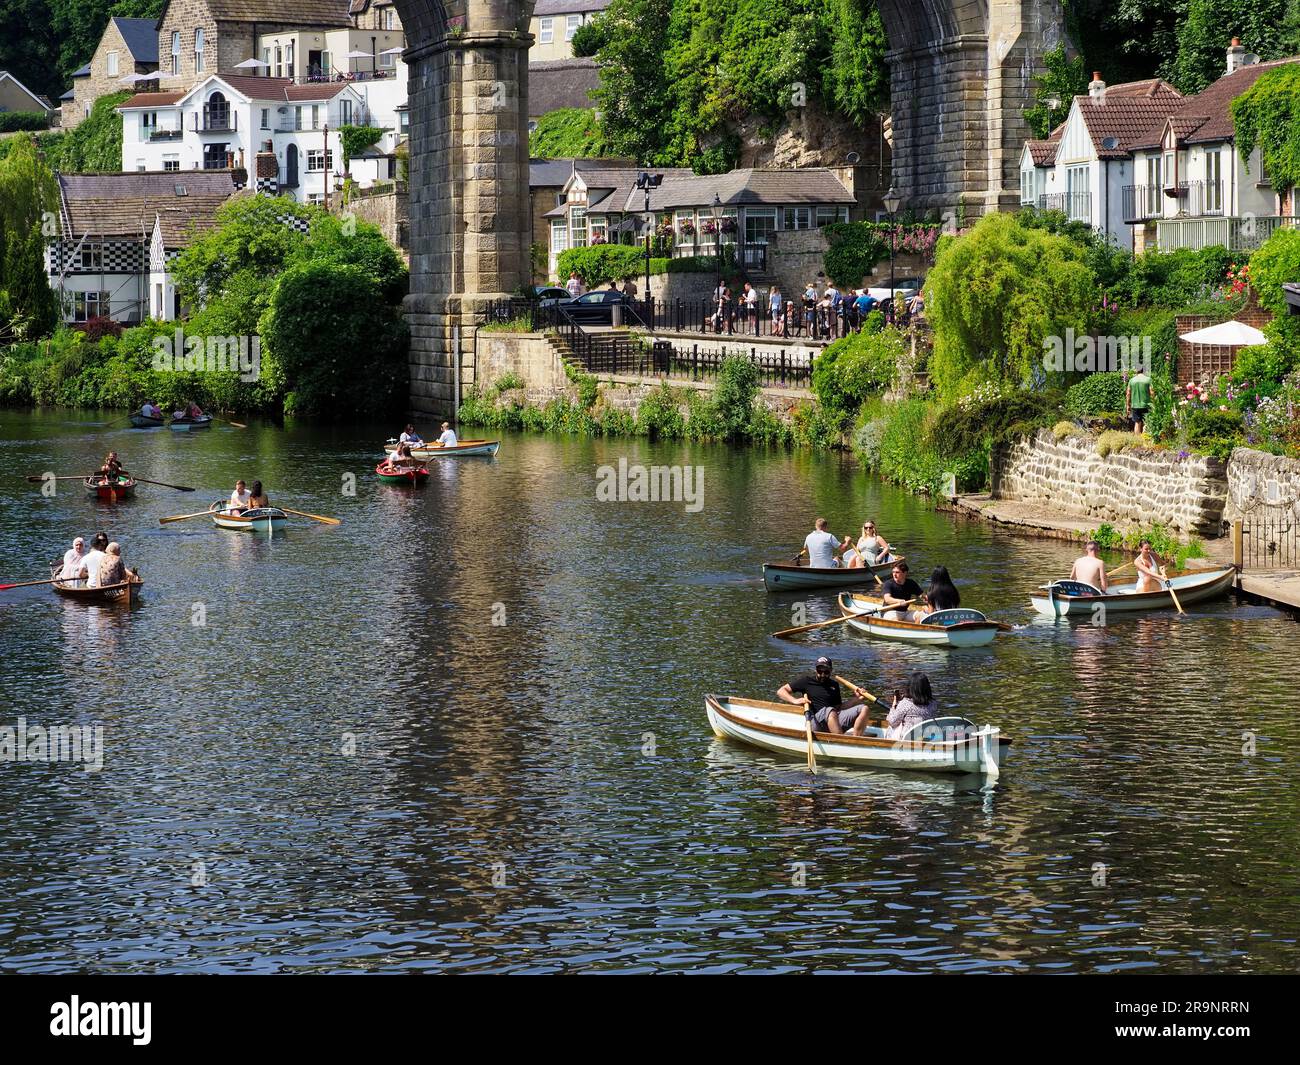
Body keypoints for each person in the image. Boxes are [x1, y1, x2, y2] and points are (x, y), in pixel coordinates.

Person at [777, 656, 870, 735]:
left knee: (864, 708)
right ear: (815, 669)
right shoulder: (806, 681)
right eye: (819, 670)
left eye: (826, 672)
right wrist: (795, 700)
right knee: (830, 710)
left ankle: (856, 740)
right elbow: (781, 691)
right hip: (815, 722)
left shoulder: (834, 685)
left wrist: (856, 699)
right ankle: (840, 742)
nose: (822, 674)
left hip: (834, 718)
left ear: (831, 671)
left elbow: (839, 707)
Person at [884, 672, 941, 740]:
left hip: (907, 740)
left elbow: (892, 722)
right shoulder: (933, 703)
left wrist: (894, 706)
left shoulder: (905, 703)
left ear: (910, 687)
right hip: (928, 738)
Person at [1126, 368, 1152, 435]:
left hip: (1135, 405)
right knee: (1147, 422)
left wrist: (1128, 405)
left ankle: (1138, 441)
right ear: (1143, 371)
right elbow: (1152, 392)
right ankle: (1145, 440)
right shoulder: (1148, 379)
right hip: (1147, 405)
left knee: (1137, 423)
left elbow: (1128, 394)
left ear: (1136, 371)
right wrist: (1154, 403)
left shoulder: (1132, 380)